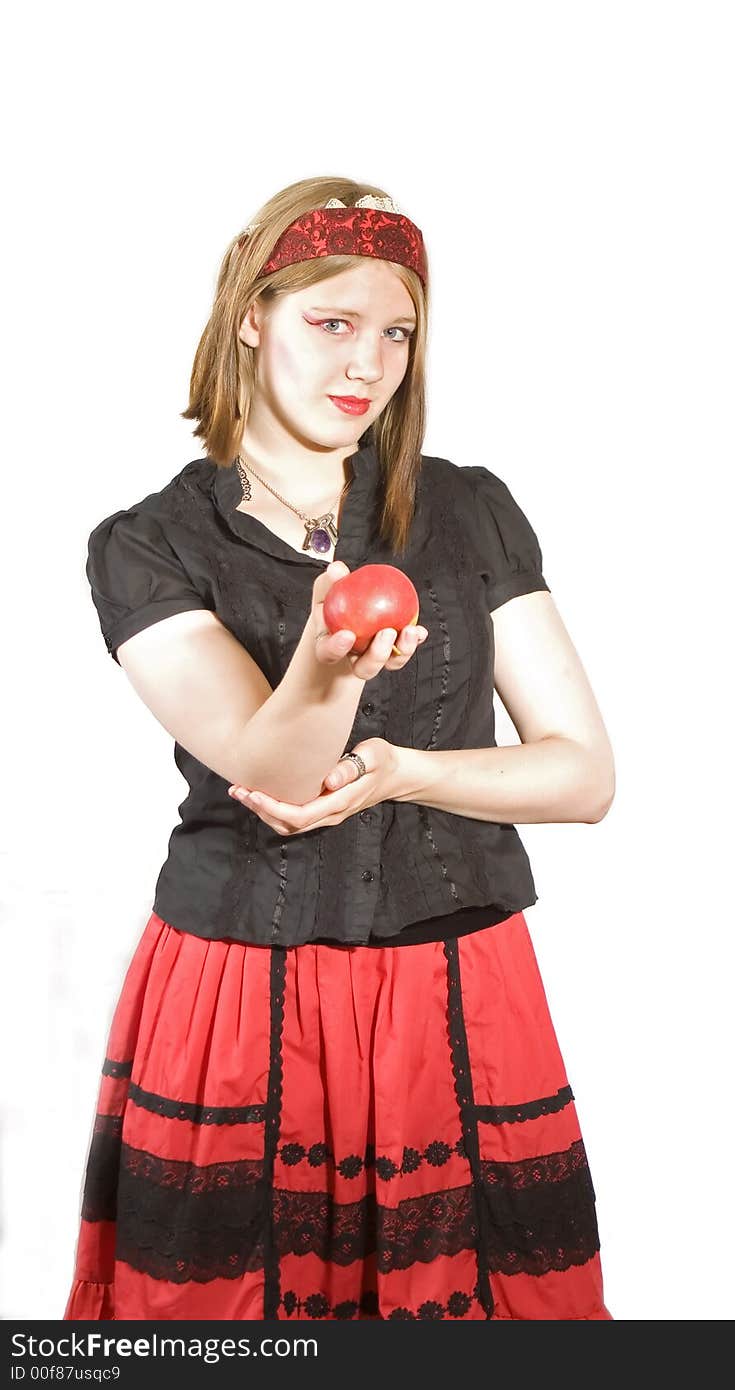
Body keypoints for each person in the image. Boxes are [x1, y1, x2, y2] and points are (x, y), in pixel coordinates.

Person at [63, 177, 616, 1322]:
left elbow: (581, 773)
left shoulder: (467, 511)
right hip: (240, 987)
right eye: (333, 323)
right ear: (253, 316)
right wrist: (325, 665)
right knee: (227, 1326)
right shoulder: (147, 546)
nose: (367, 363)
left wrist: (411, 773)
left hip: (458, 986)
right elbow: (274, 778)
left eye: (396, 332)